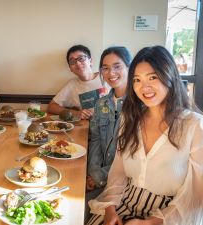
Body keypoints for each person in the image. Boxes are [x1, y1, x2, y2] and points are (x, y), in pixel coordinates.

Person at [87, 46, 203, 225]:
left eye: (153, 77)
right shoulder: (130, 118)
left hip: (169, 215)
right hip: (125, 202)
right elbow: (118, 172)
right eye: (137, 80)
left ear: (169, 75)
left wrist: (149, 222)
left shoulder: (196, 127)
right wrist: (109, 209)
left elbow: (194, 197)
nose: (144, 87)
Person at [85, 46, 132, 221]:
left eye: (117, 66)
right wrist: (92, 172)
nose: (111, 72)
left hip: (123, 186)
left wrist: (100, 177)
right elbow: (96, 139)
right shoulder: (101, 103)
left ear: (129, 67)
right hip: (98, 178)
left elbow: (132, 156)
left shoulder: (140, 107)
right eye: (105, 67)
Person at [47, 45, 108, 120]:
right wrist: (76, 113)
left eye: (81, 58)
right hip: (89, 128)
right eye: (72, 61)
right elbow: (51, 107)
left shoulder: (106, 76)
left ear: (90, 61)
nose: (78, 63)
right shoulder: (72, 85)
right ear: (70, 68)